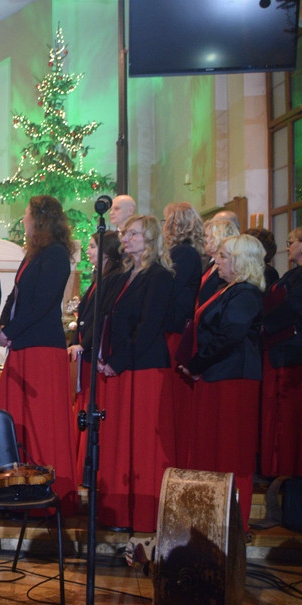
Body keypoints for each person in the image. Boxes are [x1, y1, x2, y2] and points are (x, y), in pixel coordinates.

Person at [0, 196, 77, 514]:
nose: (23, 218)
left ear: (40, 219)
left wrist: (10, 332)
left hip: (42, 347)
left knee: (42, 422)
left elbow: (41, 304)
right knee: (19, 419)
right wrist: (3, 326)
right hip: (25, 345)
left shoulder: (55, 255)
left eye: (27, 214)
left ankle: (50, 492)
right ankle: (18, 489)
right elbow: (16, 296)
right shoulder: (36, 253)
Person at [177, 234, 264, 530]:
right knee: (211, 447)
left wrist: (196, 364)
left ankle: (233, 522)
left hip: (233, 381)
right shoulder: (230, 290)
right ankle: (210, 515)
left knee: (230, 450)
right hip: (217, 377)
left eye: (225, 257)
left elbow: (229, 336)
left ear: (241, 262)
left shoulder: (246, 293)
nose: (217, 262)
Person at [96, 215, 175, 533]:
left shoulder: (159, 276)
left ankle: (143, 515)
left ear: (151, 239)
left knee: (142, 443)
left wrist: (119, 360)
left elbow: (148, 326)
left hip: (143, 368)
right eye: (125, 233)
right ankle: (119, 511)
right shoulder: (125, 274)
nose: (125, 239)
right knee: (119, 441)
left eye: (133, 234)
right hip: (122, 366)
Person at [67, 230, 123, 481]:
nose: (88, 251)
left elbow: (101, 318)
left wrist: (85, 344)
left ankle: (88, 471)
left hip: (92, 353)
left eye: (93, 246)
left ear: (108, 251)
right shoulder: (99, 277)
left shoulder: (112, 278)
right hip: (86, 352)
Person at [261, 225, 302, 476]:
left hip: (299, 356)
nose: (287, 246)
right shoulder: (295, 274)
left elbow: (297, 307)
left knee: (297, 425)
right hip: (283, 351)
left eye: (292, 241)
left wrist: (264, 324)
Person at [161, 202, 205, 466]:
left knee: (173, 397)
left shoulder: (183, 253)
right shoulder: (184, 252)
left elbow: (170, 292)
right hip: (173, 328)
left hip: (175, 331)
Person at [197, 218, 239, 306]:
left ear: (217, 237)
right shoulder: (211, 264)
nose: (203, 239)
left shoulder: (228, 267)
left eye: (206, 236)